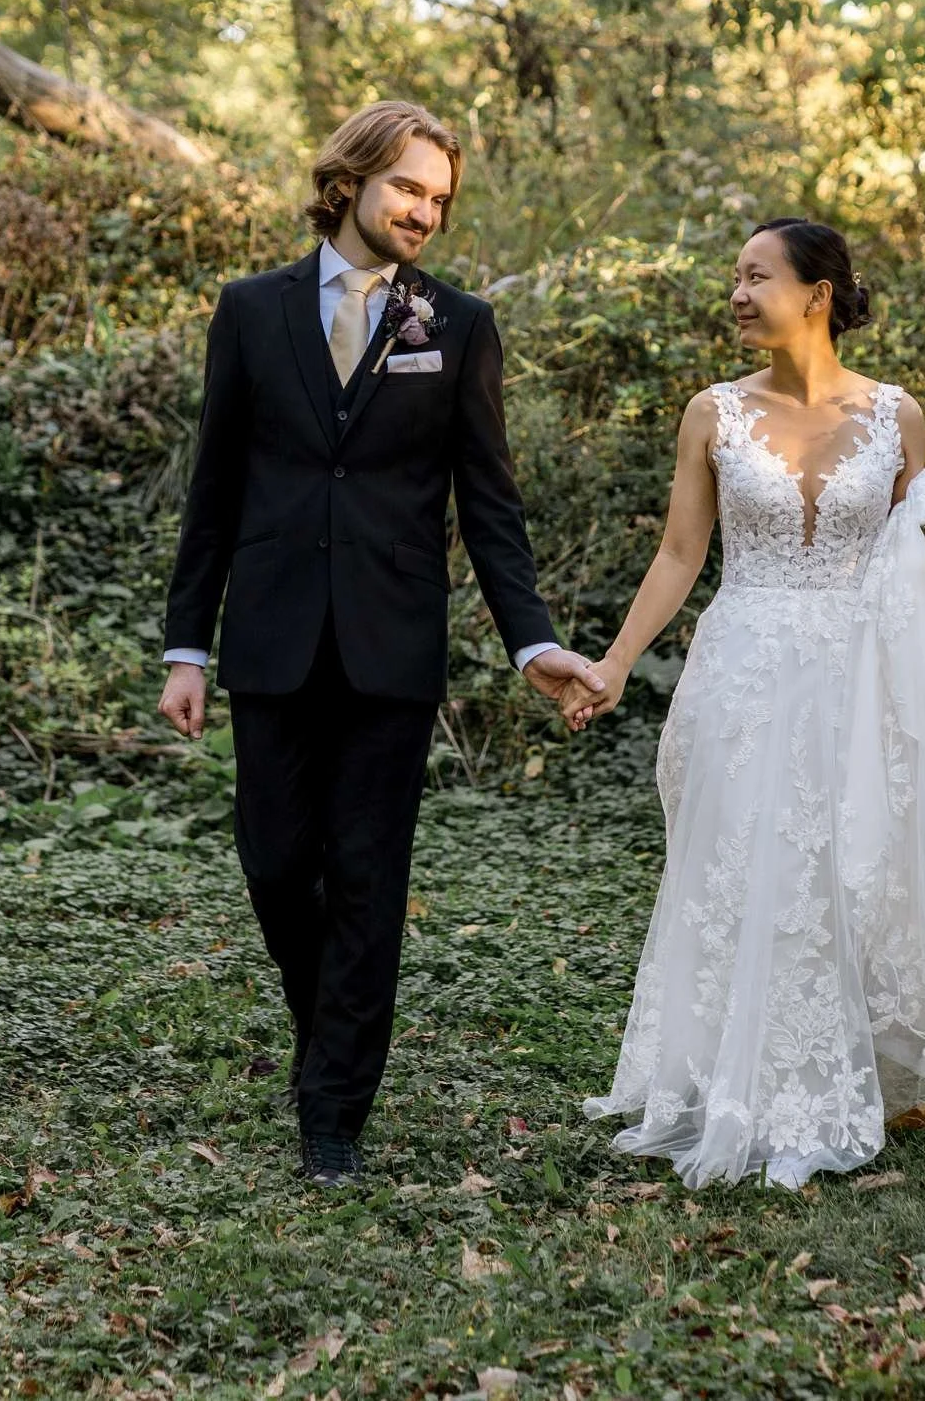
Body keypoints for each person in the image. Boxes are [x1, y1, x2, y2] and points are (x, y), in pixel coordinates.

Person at [571, 216, 925, 1188]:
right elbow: (679, 555)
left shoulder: (893, 413)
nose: (736, 291)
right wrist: (611, 664)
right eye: (733, 275)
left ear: (817, 292)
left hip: (863, 664)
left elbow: (915, 541)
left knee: (851, 861)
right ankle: (740, 1077)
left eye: (755, 274)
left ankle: (864, 1067)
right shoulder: (711, 412)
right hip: (744, 660)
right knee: (746, 856)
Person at [156, 99, 603, 1186]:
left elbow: (488, 506)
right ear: (350, 178)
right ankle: (331, 1043)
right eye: (408, 187)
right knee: (272, 866)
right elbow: (213, 487)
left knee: (365, 874)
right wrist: (187, 646)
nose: (424, 212)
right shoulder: (250, 310)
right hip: (269, 635)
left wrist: (528, 639)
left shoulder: (458, 324)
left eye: (440, 199)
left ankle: (333, 1113)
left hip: (390, 645)